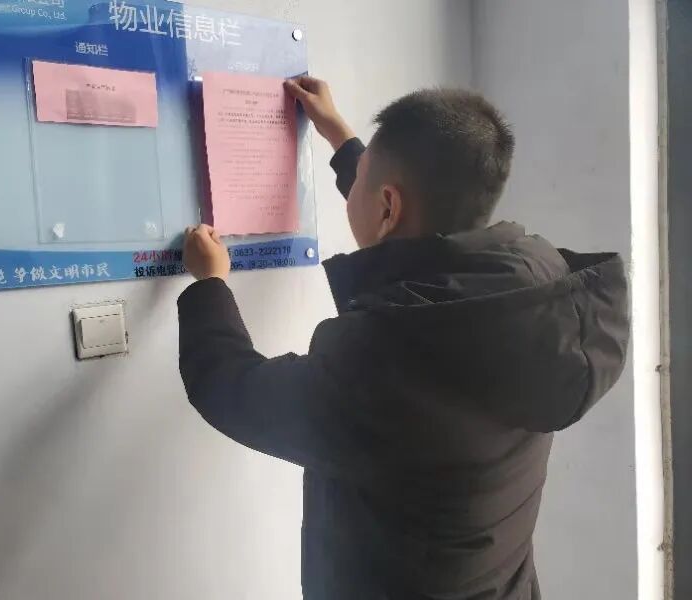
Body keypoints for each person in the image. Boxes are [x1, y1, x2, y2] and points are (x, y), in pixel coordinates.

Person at [177, 77, 630, 600]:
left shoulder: (382, 356)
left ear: (388, 206)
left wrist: (209, 284)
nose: (357, 184)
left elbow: (235, 391)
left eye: (363, 177)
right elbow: (411, 226)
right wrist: (341, 138)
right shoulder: (536, 283)